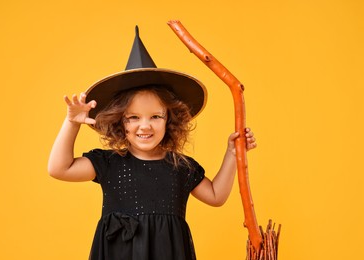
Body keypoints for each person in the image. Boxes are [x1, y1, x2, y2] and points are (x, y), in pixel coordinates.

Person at [48, 26, 257, 260]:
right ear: (120, 122)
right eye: (134, 117)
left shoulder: (181, 166)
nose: (144, 126)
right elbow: (59, 168)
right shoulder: (109, 163)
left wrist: (232, 152)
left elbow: (217, 196)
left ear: (169, 120)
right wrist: (72, 123)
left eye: (155, 117)